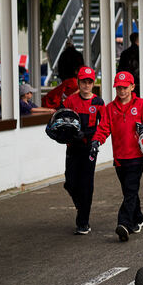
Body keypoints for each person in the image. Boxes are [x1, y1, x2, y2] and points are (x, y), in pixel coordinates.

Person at [91, 71, 143, 242]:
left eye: (125, 87)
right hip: (120, 158)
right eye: (118, 88)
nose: (121, 91)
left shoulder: (141, 105)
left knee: (130, 190)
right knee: (130, 191)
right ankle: (138, 218)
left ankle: (124, 223)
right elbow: (103, 128)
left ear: (132, 87)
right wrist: (96, 142)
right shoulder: (110, 108)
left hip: (137, 157)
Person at [59, 66, 105, 235]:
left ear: (93, 83)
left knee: (86, 185)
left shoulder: (98, 102)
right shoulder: (70, 101)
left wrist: (95, 141)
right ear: (78, 82)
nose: (86, 85)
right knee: (70, 183)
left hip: (89, 149)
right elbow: (60, 119)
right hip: (73, 148)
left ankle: (83, 222)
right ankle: (82, 207)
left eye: (89, 82)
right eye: (83, 82)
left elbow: (104, 125)